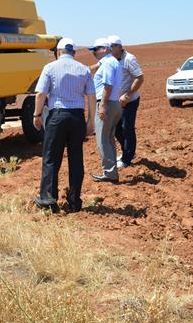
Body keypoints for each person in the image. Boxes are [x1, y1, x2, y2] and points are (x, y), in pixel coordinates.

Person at [32, 37, 96, 212]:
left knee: (51, 158)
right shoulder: (83, 69)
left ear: (58, 52)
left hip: (57, 117)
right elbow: (91, 96)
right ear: (74, 53)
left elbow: (40, 94)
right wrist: (90, 120)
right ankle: (75, 202)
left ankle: (47, 199)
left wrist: (37, 114)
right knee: (76, 160)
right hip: (77, 118)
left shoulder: (50, 68)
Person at [88, 37, 123, 183]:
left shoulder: (108, 63)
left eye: (96, 50)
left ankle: (109, 173)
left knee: (103, 140)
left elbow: (107, 86)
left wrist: (102, 105)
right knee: (109, 139)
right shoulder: (111, 61)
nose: (94, 53)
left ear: (105, 49)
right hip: (114, 103)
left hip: (106, 104)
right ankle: (111, 170)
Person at [107, 35, 144, 169]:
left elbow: (139, 78)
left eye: (111, 46)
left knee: (127, 128)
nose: (108, 49)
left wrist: (127, 95)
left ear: (119, 47)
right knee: (116, 128)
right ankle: (127, 152)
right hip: (116, 100)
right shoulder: (111, 59)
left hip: (129, 100)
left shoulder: (129, 59)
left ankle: (127, 159)